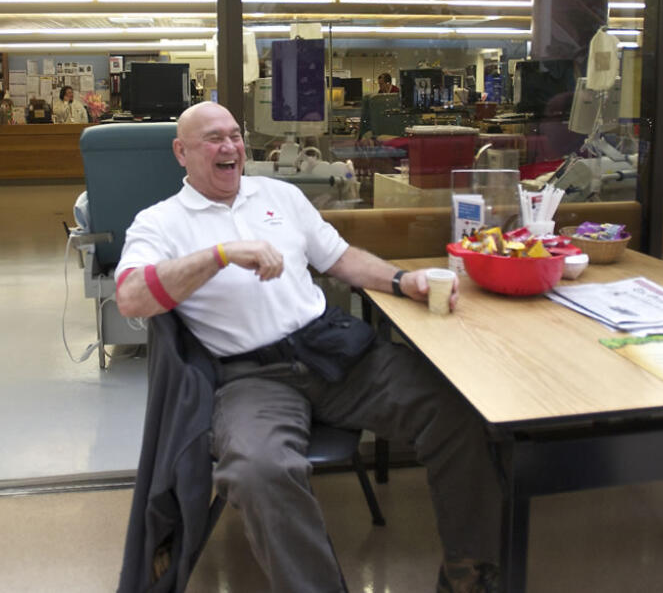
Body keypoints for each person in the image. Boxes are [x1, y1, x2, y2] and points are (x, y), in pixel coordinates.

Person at [116, 102, 501, 593]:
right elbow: (131, 298)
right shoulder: (161, 222)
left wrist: (403, 280)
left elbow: (340, 259)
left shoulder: (281, 195)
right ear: (181, 152)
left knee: (458, 413)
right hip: (251, 377)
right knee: (258, 472)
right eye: (214, 138)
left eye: (235, 135)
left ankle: (469, 574)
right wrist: (219, 255)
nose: (230, 146)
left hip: (331, 352)